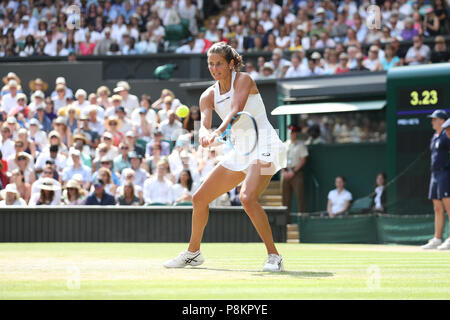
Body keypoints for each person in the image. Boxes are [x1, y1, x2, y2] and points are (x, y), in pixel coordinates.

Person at [163, 42, 287, 272]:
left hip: (265, 144)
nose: (214, 67)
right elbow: (204, 126)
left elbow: (235, 110)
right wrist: (204, 135)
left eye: (219, 63)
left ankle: (274, 256)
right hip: (240, 150)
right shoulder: (207, 95)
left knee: (247, 198)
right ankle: (193, 253)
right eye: (210, 63)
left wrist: (218, 132)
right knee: (199, 198)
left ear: (231, 64)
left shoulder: (244, 80)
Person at [422, 110, 450, 250]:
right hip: (435, 175)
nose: (432, 121)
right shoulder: (434, 137)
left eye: (435, 119)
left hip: (446, 173)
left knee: (449, 206)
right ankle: (437, 238)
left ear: (442, 121)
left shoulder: (447, 135)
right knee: (437, 207)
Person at [282, 124, 308, 220]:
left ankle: (302, 220)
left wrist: (293, 171)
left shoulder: (300, 145)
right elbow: (281, 159)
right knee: (285, 198)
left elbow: (303, 159)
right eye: (290, 132)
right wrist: (283, 171)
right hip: (286, 172)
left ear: (296, 133)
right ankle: (286, 220)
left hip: (296, 173)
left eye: (293, 132)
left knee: (300, 197)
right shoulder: (285, 144)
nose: (292, 134)